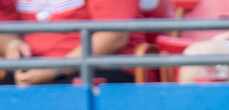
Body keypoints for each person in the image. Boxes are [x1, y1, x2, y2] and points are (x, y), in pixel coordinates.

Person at [0, 0, 143, 85]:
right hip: (30, 67)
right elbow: (4, 24)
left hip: (97, 67)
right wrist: (10, 43)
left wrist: (54, 69)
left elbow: (114, 36)